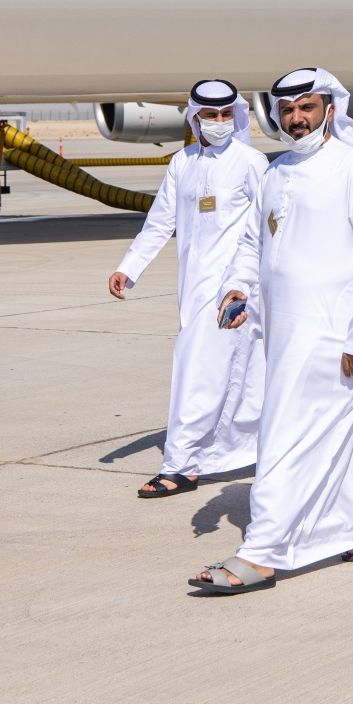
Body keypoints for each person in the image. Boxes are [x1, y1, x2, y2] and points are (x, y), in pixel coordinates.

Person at [193, 68, 353, 595]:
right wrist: (237, 287)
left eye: (307, 108)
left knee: (286, 437)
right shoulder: (276, 172)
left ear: (330, 109)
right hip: (285, 333)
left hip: (334, 337)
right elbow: (253, 241)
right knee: (346, 431)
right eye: (287, 110)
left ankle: (263, 552)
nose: (296, 119)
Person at [109, 80, 269, 499]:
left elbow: (268, 226)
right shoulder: (182, 162)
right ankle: (227, 454)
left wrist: (251, 284)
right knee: (227, 378)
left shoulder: (252, 162)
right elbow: (161, 221)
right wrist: (130, 268)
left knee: (196, 373)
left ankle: (180, 465)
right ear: (194, 118)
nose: (218, 123)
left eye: (224, 115)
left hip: (232, 290)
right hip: (192, 288)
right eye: (209, 116)